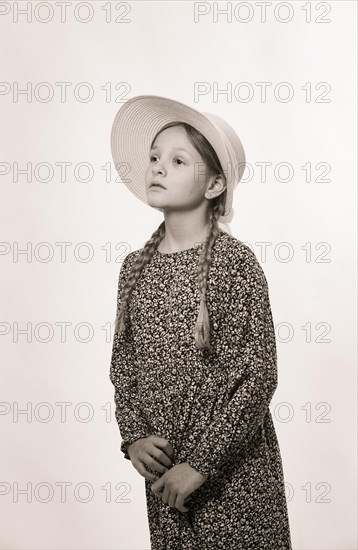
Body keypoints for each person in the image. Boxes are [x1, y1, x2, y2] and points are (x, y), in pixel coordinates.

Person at [109, 95, 292, 549]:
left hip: (235, 479)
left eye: (176, 159)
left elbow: (258, 375)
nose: (157, 167)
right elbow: (124, 364)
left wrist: (203, 463)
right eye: (154, 157)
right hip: (166, 482)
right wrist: (133, 436)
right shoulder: (135, 267)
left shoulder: (235, 263)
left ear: (213, 184)